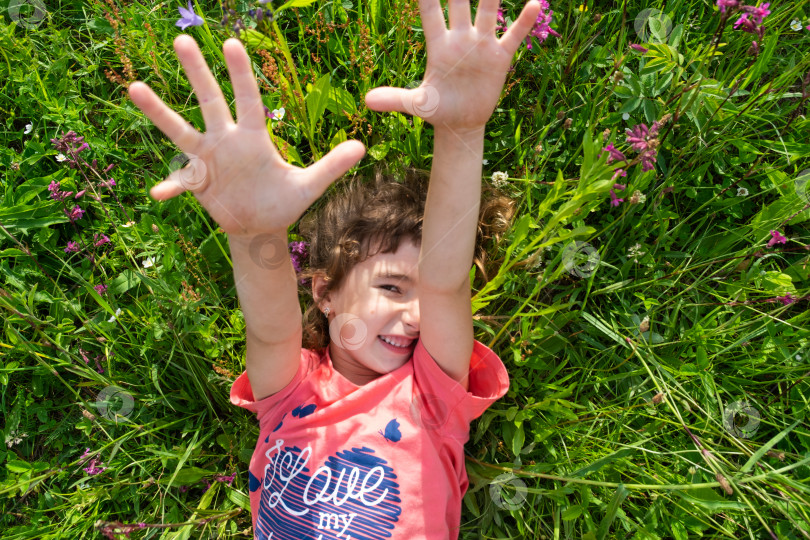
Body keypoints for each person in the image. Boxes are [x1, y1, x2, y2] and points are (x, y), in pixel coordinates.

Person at [128, 0, 541, 537]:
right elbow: (271, 326)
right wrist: (255, 234)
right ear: (324, 291)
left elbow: (446, 282)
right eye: (392, 285)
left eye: (423, 297)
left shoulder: (432, 397)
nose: (416, 314)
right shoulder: (289, 393)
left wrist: (462, 132)